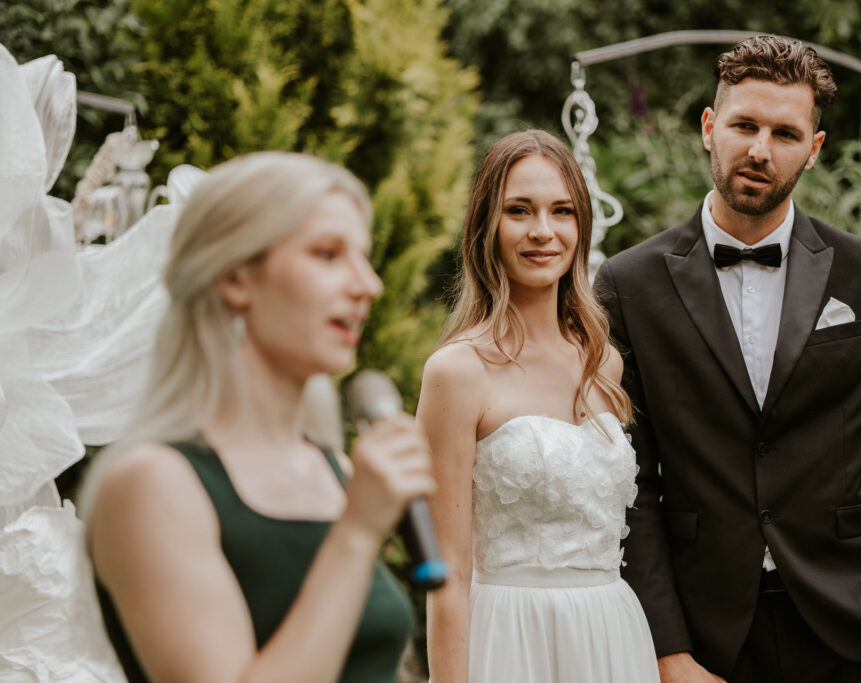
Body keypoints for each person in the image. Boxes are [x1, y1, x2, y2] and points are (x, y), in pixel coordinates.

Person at [594, 35, 861, 683]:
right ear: (709, 126)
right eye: (744, 125)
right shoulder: (628, 283)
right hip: (707, 641)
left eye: (785, 133)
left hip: (860, 636)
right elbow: (628, 484)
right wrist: (666, 648)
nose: (760, 149)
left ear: (814, 149)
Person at [81, 151, 435, 683]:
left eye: (363, 257)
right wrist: (357, 535)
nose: (369, 285)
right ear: (235, 278)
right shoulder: (151, 483)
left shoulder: (335, 470)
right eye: (327, 254)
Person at [418, 129, 659, 683]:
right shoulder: (456, 372)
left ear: (581, 225)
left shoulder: (603, 363)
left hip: (610, 638)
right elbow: (446, 572)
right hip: (509, 641)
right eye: (519, 210)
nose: (543, 231)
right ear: (487, 226)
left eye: (562, 211)